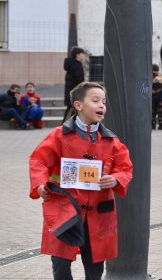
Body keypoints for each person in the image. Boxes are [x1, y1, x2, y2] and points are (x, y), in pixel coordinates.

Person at [29, 81, 133, 280]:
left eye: (103, 101)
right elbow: (39, 161)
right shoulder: (59, 137)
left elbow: (125, 167)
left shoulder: (112, 141)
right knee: (60, 263)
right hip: (65, 207)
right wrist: (40, 184)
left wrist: (116, 179)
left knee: (94, 267)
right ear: (78, 105)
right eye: (95, 101)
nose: (102, 105)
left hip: (99, 211)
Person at [63, 47, 86, 122]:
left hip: (72, 92)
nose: (84, 56)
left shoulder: (72, 64)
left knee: (73, 110)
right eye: (83, 54)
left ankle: (66, 128)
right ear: (78, 55)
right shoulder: (76, 65)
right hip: (74, 93)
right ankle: (63, 128)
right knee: (71, 109)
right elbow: (80, 81)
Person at [152, 64, 162, 130]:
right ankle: (161, 125)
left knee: (153, 112)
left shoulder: (149, 76)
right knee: (160, 112)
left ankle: (153, 125)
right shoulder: (161, 77)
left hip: (152, 98)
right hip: (160, 98)